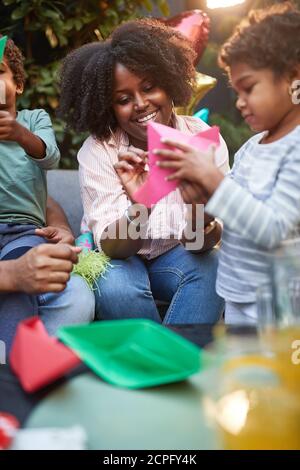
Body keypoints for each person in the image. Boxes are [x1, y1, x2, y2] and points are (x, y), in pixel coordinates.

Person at [58, 19, 229, 325]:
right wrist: (143, 204)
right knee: (115, 286)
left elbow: (199, 244)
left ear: (169, 80)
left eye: (149, 87)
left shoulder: (200, 139)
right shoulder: (99, 151)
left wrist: (200, 214)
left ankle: (170, 359)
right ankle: (157, 361)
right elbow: (114, 249)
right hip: (121, 257)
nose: (140, 104)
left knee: (214, 266)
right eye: (123, 99)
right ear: (108, 107)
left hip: (176, 255)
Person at [155, 3, 300, 324]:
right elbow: (236, 212)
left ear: (293, 77)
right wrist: (203, 203)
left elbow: (274, 229)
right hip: (237, 296)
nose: (239, 101)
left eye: (249, 88)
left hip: (281, 307)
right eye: (236, 91)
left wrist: (214, 181)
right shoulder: (251, 148)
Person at [0, 35, 95, 352]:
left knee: (25, 268)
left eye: (0, 72)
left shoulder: (33, 119)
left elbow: (50, 156)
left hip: (24, 231)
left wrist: (19, 133)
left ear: (18, 85)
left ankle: (17, 360)